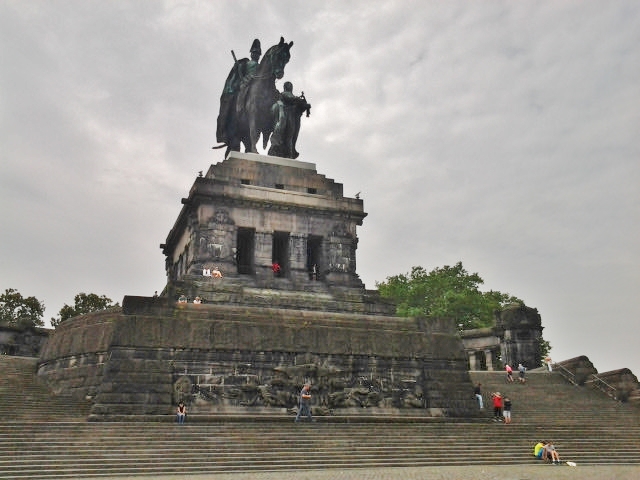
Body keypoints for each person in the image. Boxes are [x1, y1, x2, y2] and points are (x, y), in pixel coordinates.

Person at [268, 81, 311, 159]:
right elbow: (290, 98)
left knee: (290, 136)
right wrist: (299, 100)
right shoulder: (284, 94)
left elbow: (298, 105)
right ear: (285, 87)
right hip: (285, 116)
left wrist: (304, 105)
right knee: (287, 135)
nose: (289, 86)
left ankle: (290, 153)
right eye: (288, 85)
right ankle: (282, 150)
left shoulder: (292, 96)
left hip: (291, 117)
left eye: (290, 85)